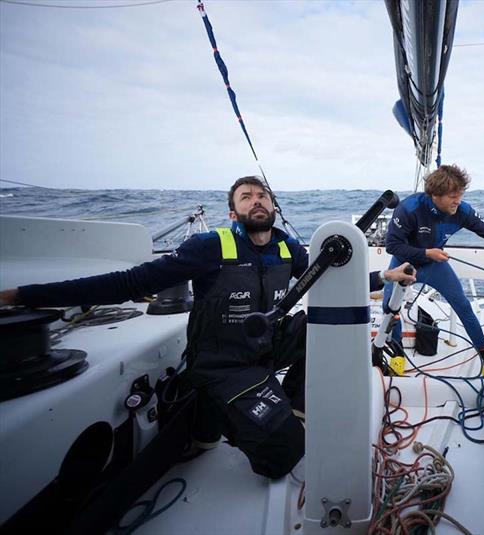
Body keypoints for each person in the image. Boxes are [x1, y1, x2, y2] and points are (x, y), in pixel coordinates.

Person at [0, 176, 415, 479]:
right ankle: (208, 406)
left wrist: (384, 279)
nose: (257, 200)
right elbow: (131, 283)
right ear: (233, 212)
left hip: (268, 346)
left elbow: (325, 279)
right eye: (246, 197)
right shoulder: (210, 246)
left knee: (318, 329)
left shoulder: (287, 246)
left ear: (272, 207)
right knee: (284, 453)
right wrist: (25, 295)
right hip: (223, 364)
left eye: (263, 195)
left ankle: (293, 402)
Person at [383, 164, 484, 376]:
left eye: (460, 194)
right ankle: (397, 355)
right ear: (435, 195)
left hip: (435, 265)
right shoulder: (409, 208)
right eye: (452, 196)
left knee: (464, 307)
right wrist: (426, 253)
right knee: (389, 309)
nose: (458, 200)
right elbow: (392, 246)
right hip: (404, 265)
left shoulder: (462, 211)